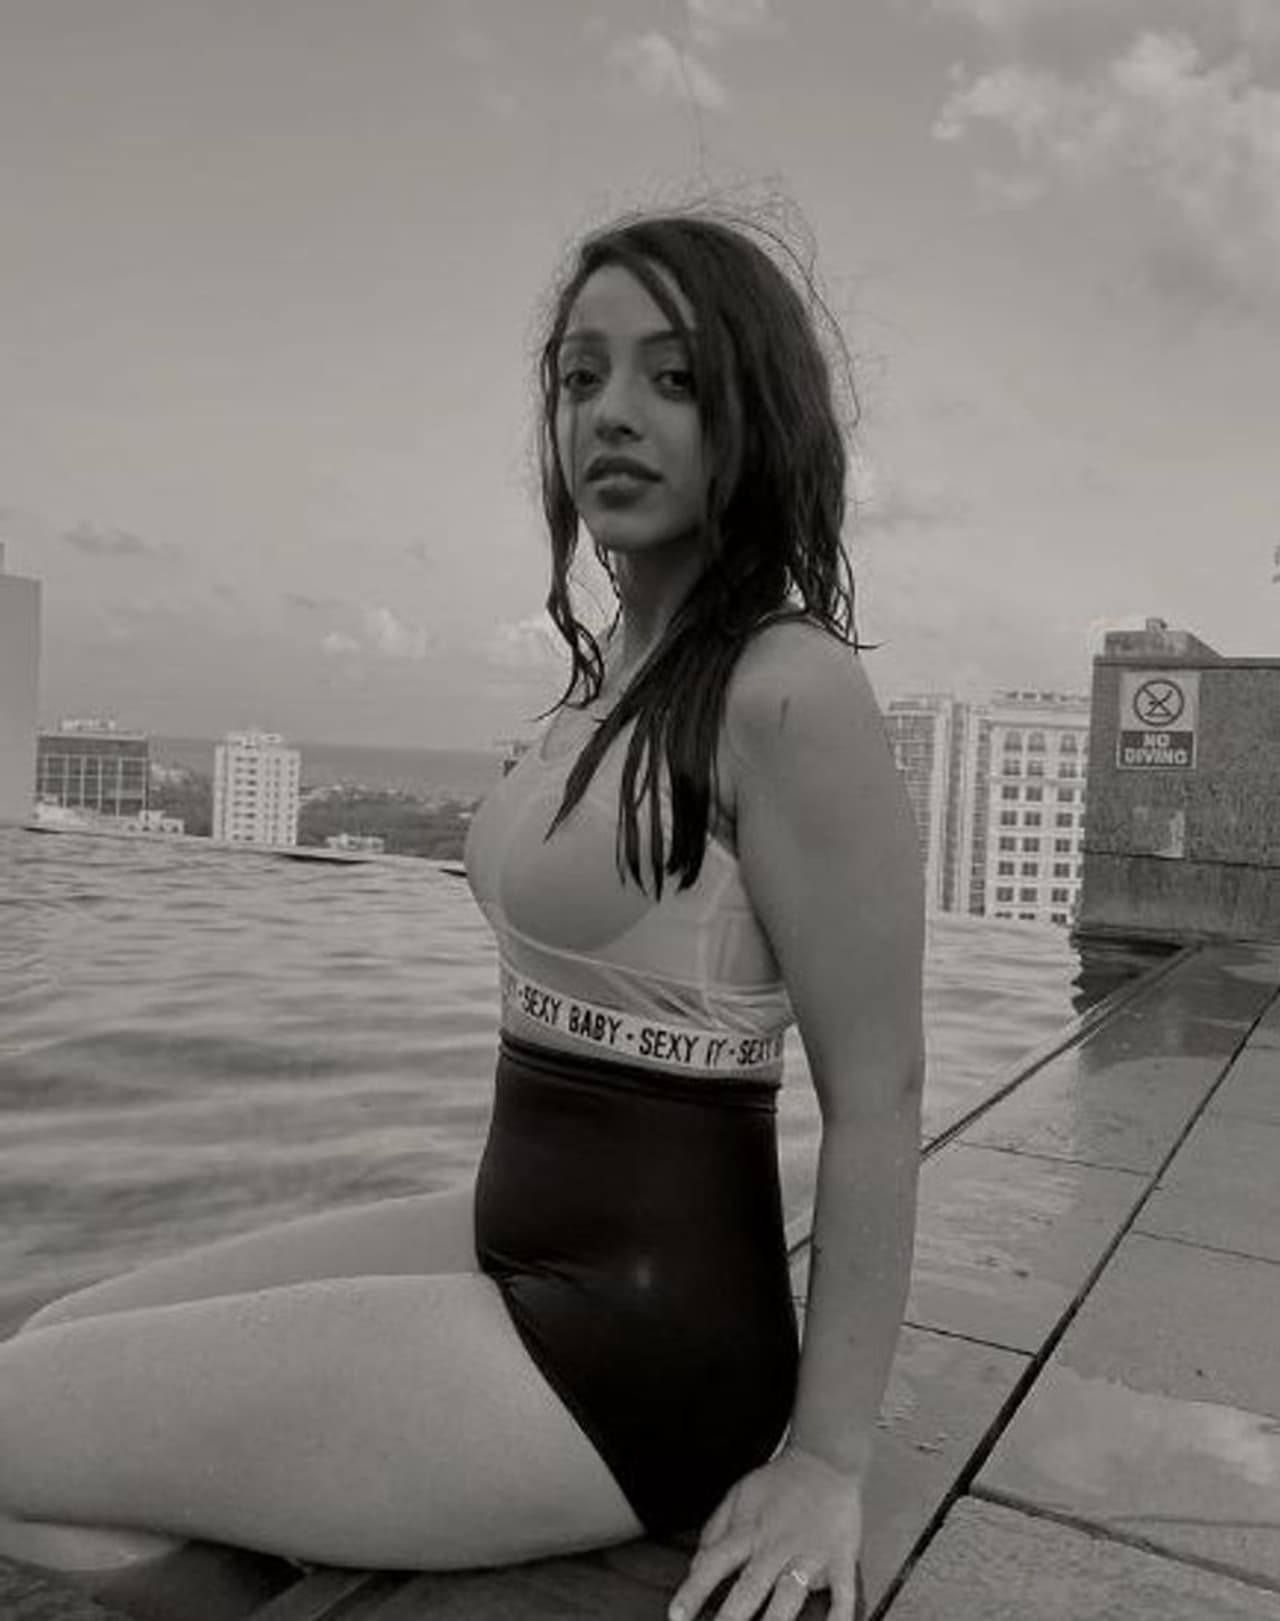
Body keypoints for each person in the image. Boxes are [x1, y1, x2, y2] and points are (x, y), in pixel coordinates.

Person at [0, 208, 924, 1621]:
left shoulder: (786, 687)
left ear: (761, 410)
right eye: (580, 377)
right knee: (54, 1340)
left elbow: (881, 1095)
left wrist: (827, 1460)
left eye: (674, 377)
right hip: (515, 1233)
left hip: (638, 1350)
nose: (613, 413)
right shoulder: (613, 674)